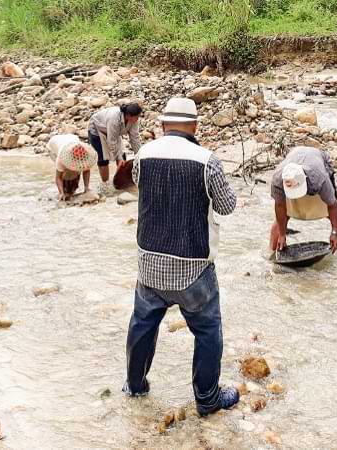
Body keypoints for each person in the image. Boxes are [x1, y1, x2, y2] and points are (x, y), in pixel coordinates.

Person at [125, 97, 240, 417]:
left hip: (149, 261)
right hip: (193, 266)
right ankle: (207, 400)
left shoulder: (144, 154)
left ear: (162, 125)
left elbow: (139, 185)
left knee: (142, 325)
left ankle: (135, 386)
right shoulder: (207, 160)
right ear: (194, 126)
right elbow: (226, 207)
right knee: (207, 332)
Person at [269, 146, 337, 253]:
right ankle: (271, 253)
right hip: (296, 155)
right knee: (282, 218)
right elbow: (280, 206)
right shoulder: (278, 180)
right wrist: (282, 234)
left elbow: (333, 205)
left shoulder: (320, 179)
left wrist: (335, 232)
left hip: (315, 160)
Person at [88, 102, 142, 183]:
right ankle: (105, 184)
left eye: (138, 116)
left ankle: (121, 181)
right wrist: (118, 158)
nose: (138, 119)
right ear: (128, 115)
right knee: (103, 159)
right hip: (97, 129)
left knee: (122, 157)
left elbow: (135, 138)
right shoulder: (114, 118)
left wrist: (139, 155)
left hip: (114, 132)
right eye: (136, 117)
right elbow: (111, 141)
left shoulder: (134, 120)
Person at [48, 134, 96, 201]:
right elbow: (58, 177)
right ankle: (65, 190)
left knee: (76, 170)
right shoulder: (61, 158)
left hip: (72, 138)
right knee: (66, 172)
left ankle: (73, 188)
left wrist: (86, 188)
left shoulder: (84, 154)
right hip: (53, 146)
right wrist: (61, 193)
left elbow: (86, 170)